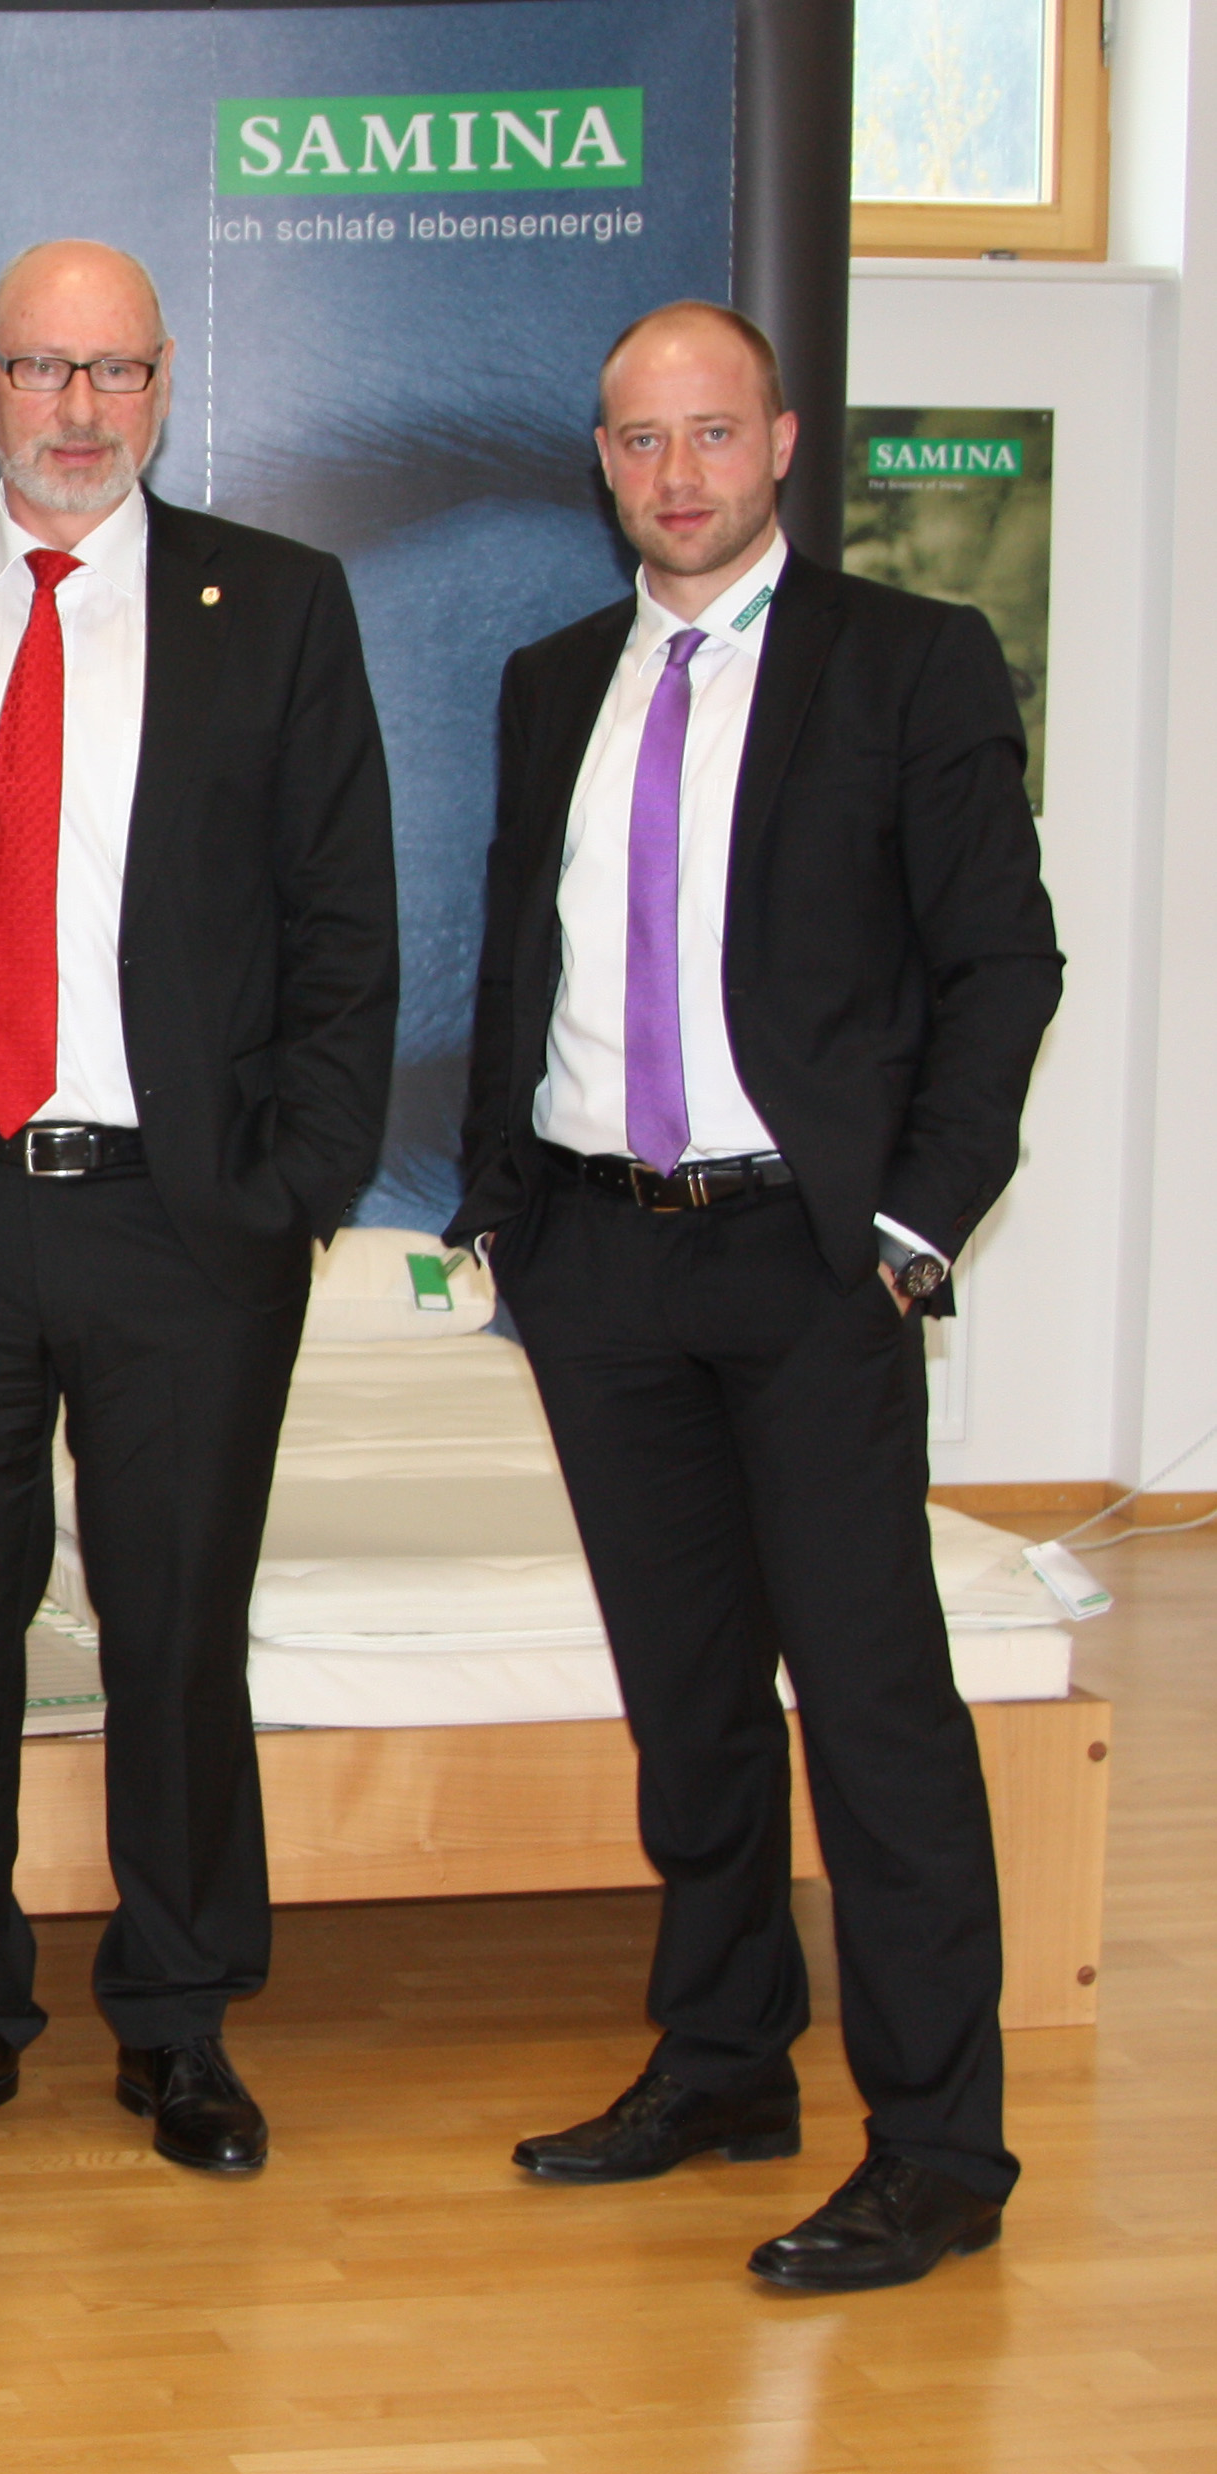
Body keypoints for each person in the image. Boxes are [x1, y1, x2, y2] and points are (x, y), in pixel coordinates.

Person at [450, 301, 1060, 2290]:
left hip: (809, 1260)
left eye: (711, 432)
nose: (677, 473)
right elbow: (522, 954)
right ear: (600, 461)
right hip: (598, 1254)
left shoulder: (908, 662)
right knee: (688, 1701)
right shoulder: (555, 680)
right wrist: (503, 1207)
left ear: (782, 442)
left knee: (871, 1707)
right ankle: (723, 2060)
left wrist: (914, 1223)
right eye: (640, 439)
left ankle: (939, 2148)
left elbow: (1000, 964)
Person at [0, 240, 398, 2174]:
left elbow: (344, 924)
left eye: (115, 371)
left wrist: (288, 1193)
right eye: (43, 369)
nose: (77, 411)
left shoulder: (276, 603)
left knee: (175, 1630)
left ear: (161, 384)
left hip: (179, 1221)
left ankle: (179, 2017)